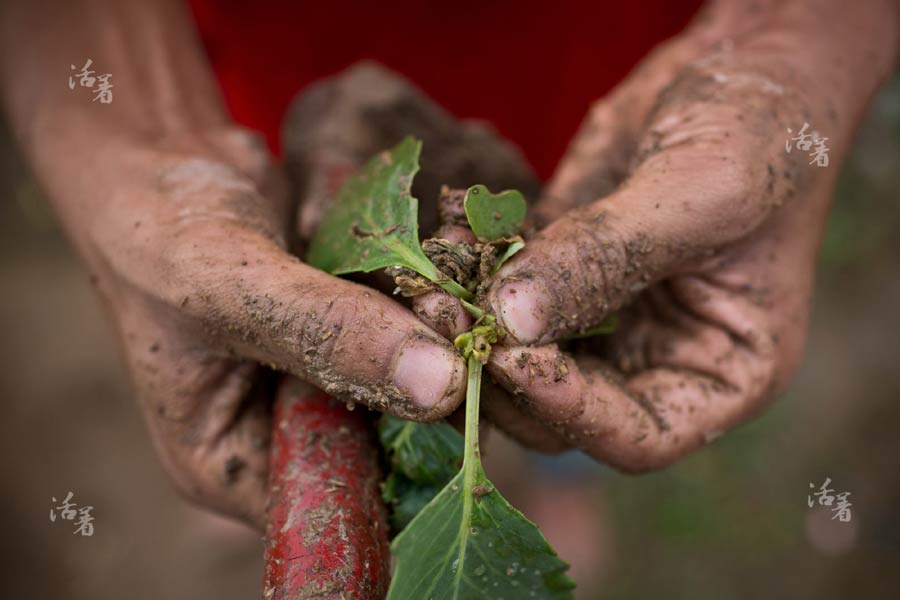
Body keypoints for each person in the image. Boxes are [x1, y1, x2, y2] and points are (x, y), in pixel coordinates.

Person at [1, 0, 897, 534]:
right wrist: (136, 124)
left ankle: (561, 485)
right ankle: (300, 452)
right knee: (282, 269)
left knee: (585, 355)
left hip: (615, 92)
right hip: (290, 55)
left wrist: (789, 40)